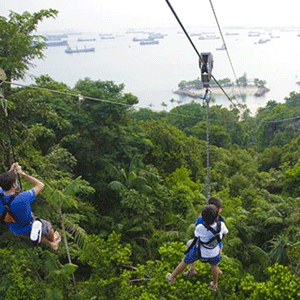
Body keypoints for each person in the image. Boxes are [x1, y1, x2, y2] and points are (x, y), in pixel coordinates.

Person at [166, 204, 228, 292]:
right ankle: (214, 284)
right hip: (214, 252)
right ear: (216, 217)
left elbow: (197, 236)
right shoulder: (221, 225)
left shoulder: (200, 227)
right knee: (215, 266)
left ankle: (172, 277)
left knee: (185, 260)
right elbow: (224, 234)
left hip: (200, 252)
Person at [0, 162, 61, 251]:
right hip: (29, 224)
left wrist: (11, 171)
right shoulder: (23, 198)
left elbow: (3, 182)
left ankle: (51, 245)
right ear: (13, 185)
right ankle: (53, 240)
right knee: (47, 226)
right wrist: (23, 175)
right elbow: (40, 185)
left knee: (31, 232)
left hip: (15, 229)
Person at [184, 197, 225, 277]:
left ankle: (192, 268)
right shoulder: (220, 220)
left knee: (189, 244)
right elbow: (223, 233)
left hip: (201, 245)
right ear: (218, 210)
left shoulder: (201, 218)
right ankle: (216, 267)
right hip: (215, 247)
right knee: (220, 245)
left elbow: (196, 232)